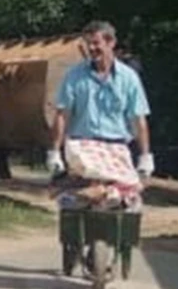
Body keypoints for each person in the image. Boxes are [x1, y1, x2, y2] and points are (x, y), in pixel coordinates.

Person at [47, 20, 154, 180]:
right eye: (88, 44)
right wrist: (55, 152)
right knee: (90, 190)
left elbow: (138, 118)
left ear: (111, 42)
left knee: (124, 197)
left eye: (96, 43)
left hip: (117, 147)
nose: (91, 49)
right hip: (82, 146)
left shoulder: (129, 78)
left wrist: (145, 156)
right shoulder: (74, 76)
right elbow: (62, 114)